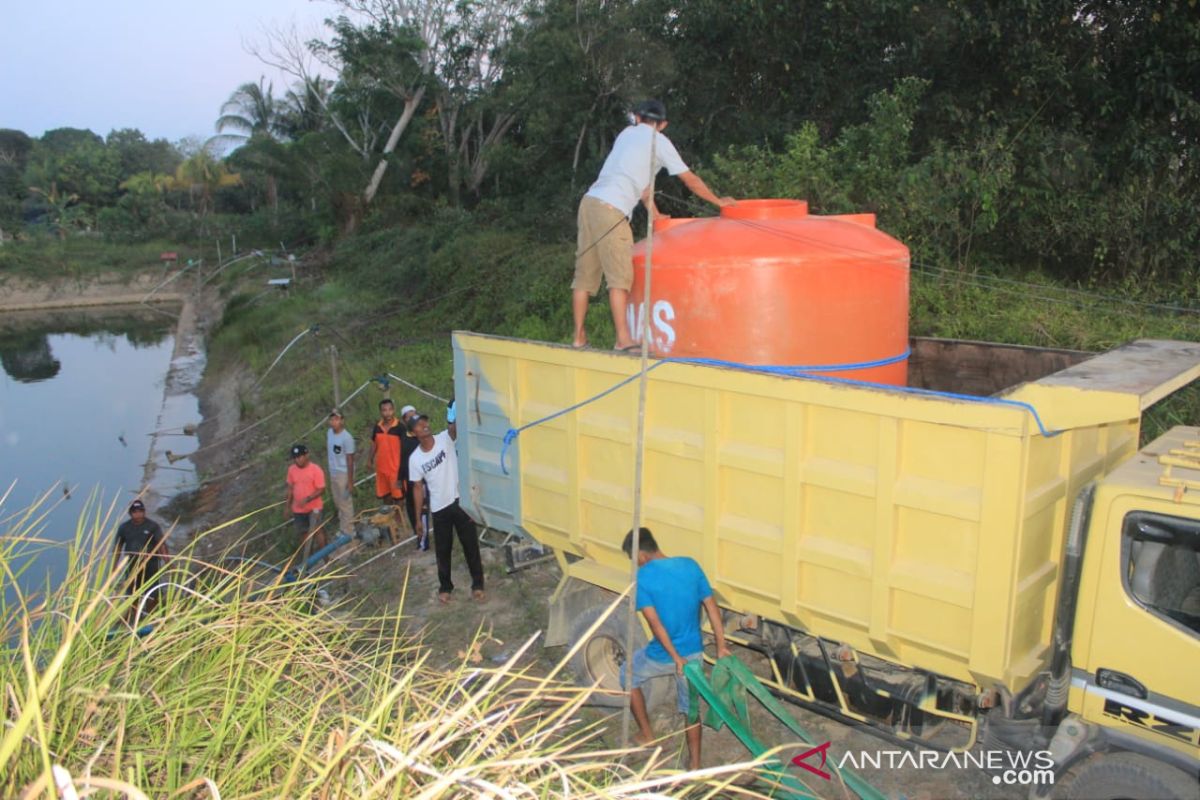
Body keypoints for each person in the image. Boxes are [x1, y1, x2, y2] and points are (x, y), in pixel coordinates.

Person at [572, 99, 734, 350]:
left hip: (589, 203)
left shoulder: (627, 134)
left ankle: (578, 338)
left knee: (584, 277)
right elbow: (689, 180)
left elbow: (643, 189)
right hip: (611, 210)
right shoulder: (660, 142)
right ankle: (623, 340)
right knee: (619, 278)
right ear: (663, 124)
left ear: (637, 118)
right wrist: (718, 201)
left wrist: (656, 216)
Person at [621, 526, 730, 770]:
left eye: (633, 560)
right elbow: (712, 607)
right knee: (690, 708)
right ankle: (695, 765)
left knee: (626, 674)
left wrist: (675, 658)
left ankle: (647, 734)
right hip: (694, 654)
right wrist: (722, 646)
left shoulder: (643, 578)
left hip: (664, 655)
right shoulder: (690, 565)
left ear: (640, 556)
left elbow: (655, 623)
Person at [408, 403, 484, 603]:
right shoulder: (415, 460)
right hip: (439, 508)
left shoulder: (445, 438)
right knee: (443, 550)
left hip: (460, 500)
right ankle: (445, 587)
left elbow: (457, 426)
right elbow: (417, 489)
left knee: (470, 545)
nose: (424, 426)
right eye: (418, 424)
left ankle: (478, 584)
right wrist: (418, 520)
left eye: (425, 422)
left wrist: (461, 397)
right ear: (412, 433)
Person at [114, 499, 169, 617]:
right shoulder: (124, 528)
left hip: (151, 566)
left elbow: (161, 545)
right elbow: (118, 547)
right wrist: (114, 567)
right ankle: (134, 618)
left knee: (152, 594)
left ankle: (150, 618)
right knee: (132, 595)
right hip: (132, 566)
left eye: (140, 511)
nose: (137, 514)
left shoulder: (153, 526)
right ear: (130, 513)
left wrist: (168, 562)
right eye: (135, 511)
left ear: (144, 512)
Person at [366, 399, 406, 544]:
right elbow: (373, 444)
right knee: (386, 497)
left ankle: (399, 522)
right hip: (381, 469)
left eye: (389, 409)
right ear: (380, 412)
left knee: (399, 498)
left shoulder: (400, 428)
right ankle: (388, 520)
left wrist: (403, 469)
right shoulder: (377, 427)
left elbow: (404, 449)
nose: (387, 413)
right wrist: (369, 459)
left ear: (393, 410)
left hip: (395, 470)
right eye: (384, 410)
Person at [284, 443, 326, 564]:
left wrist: (308, 499)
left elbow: (321, 489)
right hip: (298, 509)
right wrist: (287, 506)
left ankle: (325, 558)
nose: (298, 459)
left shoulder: (315, 470)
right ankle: (309, 559)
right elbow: (290, 488)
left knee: (318, 531)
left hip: (314, 507)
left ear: (307, 455)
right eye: (296, 457)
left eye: (300, 456)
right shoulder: (291, 470)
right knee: (303, 533)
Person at [326, 408, 356, 538]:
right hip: (333, 472)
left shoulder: (347, 438)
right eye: (332, 419)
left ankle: (350, 531)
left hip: (343, 473)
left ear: (342, 421)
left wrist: (350, 481)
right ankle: (343, 527)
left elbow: (350, 460)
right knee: (337, 501)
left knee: (345, 503)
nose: (334, 422)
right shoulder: (329, 433)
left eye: (337, 419)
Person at [398, 404, 421, 534]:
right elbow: (403, 458)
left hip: (424, 476)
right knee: (411, 505)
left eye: (415, 415)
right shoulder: (404, 437)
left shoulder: (422, 434)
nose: (413, 419)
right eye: (409, 417)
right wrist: (400, 477)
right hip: (410, 477)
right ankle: (417, 531)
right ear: (404, 420)